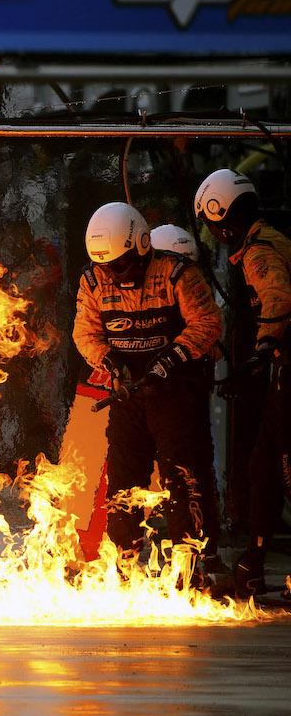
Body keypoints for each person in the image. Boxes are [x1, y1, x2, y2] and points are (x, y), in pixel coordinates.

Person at [73, 202, 225, 582]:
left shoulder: (177, 273)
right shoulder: (93, 281)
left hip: (174, 394)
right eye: (107, 266)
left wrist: (171, 359)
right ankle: (124, 566)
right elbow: (84, 333)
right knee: (123, 482)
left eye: (122, 265)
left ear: (141, 245)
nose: (114, 274)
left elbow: (208, 322)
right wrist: (110, 361)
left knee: (181, 477)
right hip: (128, 396)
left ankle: (189, 571)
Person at [195, 168, 291, 598]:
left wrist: (262, 349)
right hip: (281, 369)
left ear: (223, 217)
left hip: (286, 369)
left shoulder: (259, 252)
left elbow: (278, 298)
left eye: (212, 224)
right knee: (262, 467)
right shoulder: (267, 241)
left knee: (283, 466)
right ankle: (254, 558)